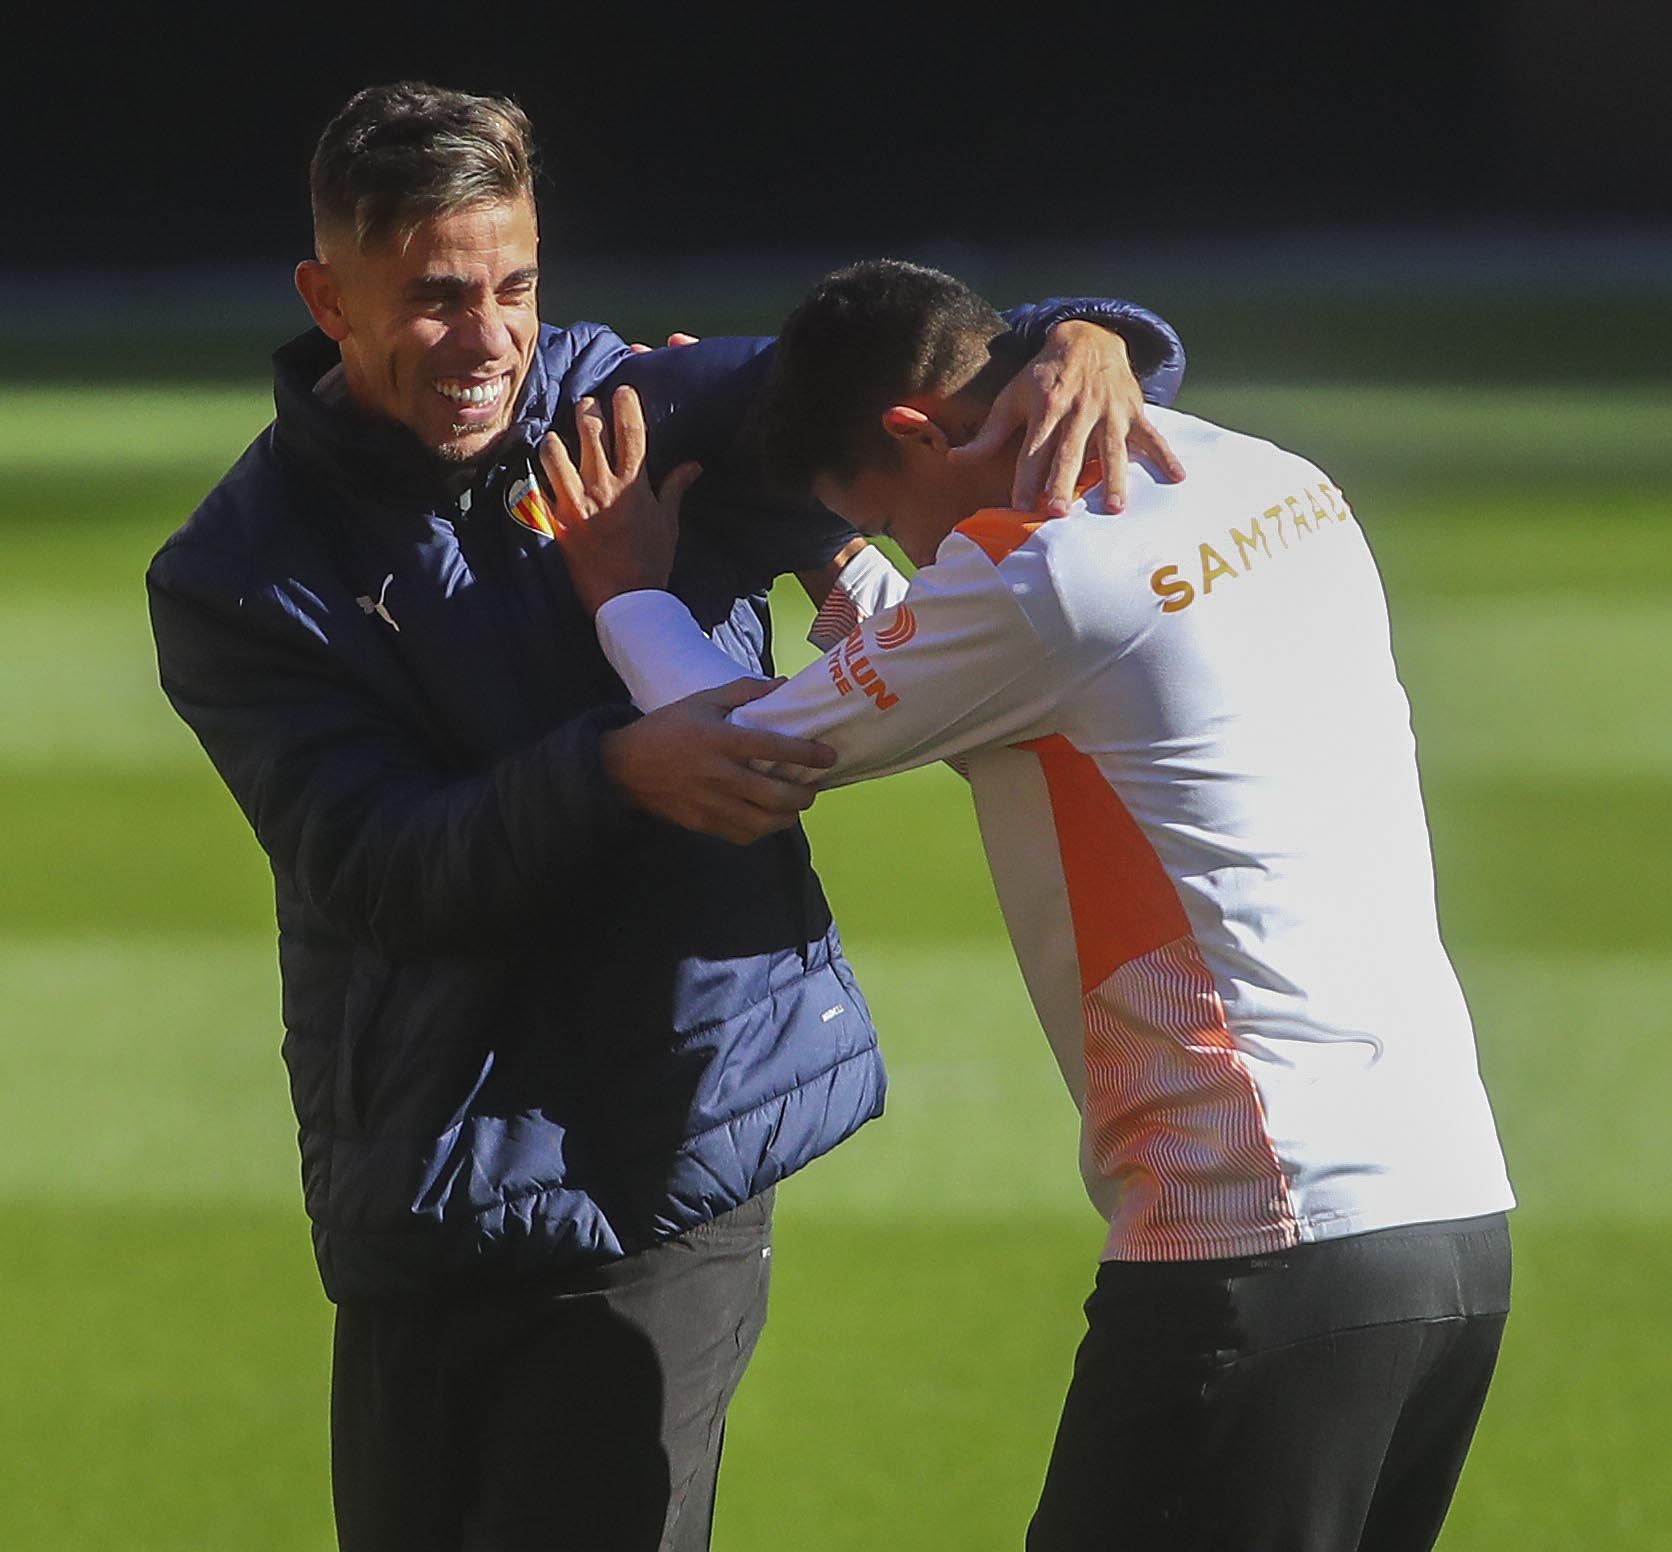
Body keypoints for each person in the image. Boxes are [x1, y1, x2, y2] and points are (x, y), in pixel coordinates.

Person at [144, 84, 1189, 1552]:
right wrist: (617, 769)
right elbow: (374, 867)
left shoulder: (655, 411)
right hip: (411, 1190)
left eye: (515, 284)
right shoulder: (235, 576)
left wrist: (1089, 337)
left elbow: (929, 370)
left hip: (656, 1159)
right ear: (327, 296)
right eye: (437, 298)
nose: (491, 336)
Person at [550, 259, 1516, 1552]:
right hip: (1450, 1226)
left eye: (894, 522)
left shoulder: (1041, 581)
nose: (914, 560)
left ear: (920, 432)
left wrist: (628, 594)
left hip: (1253, 1234)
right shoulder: (1265, 476)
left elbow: (745, 754)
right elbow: (989, 655)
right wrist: (1072, 337)